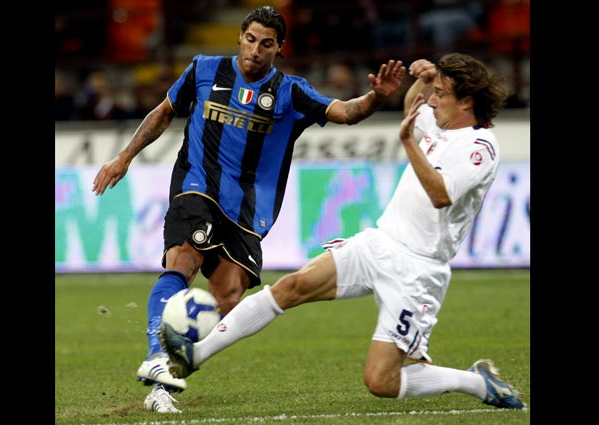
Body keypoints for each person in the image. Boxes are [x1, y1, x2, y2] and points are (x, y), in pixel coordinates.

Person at [159, 52, 525, 411]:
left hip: (418, 269)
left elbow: (441, 194)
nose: (432, 101)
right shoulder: (441, 122)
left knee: (381, 381)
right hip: (380, 242)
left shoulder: (479, 148)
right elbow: (412, 108)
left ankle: (477, 382)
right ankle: (195, 355)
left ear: (467, 101)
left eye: (441, 94)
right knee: (291, 286)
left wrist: (409, 145)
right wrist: (425, 81)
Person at [91, 5, 406, 414]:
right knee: (182, 261)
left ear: (279, 48)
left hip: (248, 212)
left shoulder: (291, 91)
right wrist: (124, 156)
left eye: (266, 44)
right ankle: (156, 354)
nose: (256, 50)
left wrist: (376, 97)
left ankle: (166, 378)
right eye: (251, 39)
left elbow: (345, 112)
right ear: (241, 36)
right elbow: (164, 112)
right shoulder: (204, 69)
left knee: (228, 297)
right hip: (197, 186)